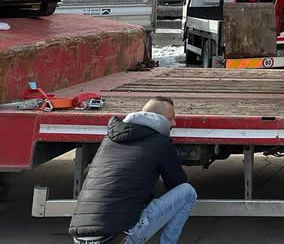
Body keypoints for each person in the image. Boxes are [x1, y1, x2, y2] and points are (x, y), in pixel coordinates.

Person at [69, 97, 197, 244]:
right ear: (160, 119)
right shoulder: (160, 143)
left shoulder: (110, 140)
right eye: (172, 118)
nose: (174, 123)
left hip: (80, 239)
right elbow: (177, 184)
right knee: (187, 192)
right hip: (117, 239)